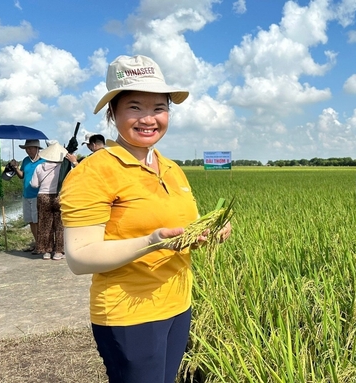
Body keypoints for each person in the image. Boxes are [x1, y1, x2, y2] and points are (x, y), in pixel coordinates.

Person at [60, 54, 231, 383]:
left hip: (178, 305)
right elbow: (80, 257)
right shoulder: (95, 172)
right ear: (113, 113)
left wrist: (210, 229)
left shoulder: (171, 167)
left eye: (159, 108)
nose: (148, 119)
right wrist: (152, 241)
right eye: (135, 107)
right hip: (130, 315)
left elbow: (188, 226)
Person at [30, 141, 68, 260]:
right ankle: (59, 251)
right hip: (59, 196)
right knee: (60, 225)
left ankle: (46, 251)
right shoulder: (63, 167)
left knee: (45, 225)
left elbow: (34, 184)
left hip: (43, 197)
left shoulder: (39, 167)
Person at [11, 139, 45, 252]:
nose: (28, 151)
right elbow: (22, 176)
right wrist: (15, 168)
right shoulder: (25, 161)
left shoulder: (43, 161)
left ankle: (41, 244)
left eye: (30, 148)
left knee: (37, 221)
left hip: (37, 195)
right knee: (30, 220)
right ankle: (37, 243)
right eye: (26, 149)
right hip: (26, 195)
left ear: (37, 148)